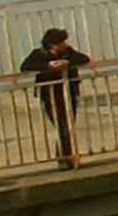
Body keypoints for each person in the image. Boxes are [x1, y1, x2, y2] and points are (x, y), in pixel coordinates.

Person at [21, 28, 90, 169]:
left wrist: (67, 63)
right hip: (50, 96)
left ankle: (65, 157)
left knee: (68, 126)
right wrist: (48, 66)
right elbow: (25, 66)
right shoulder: (39, 54)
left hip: (69, 92)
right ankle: (66, 158)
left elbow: (84, 58)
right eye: (61, 42)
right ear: (52, 45)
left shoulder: (68, 52)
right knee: (62, 126)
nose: (65, 44)